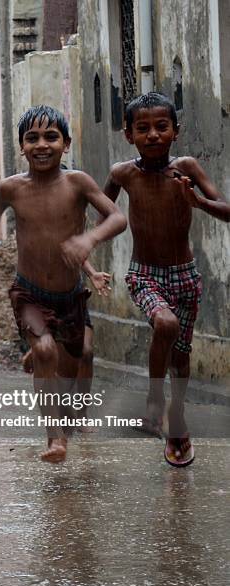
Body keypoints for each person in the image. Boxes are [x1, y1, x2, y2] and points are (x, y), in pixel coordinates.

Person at [0, 105, 127, 463]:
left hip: (70, 298)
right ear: (21, 146)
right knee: (45, 352)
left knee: (73, 365)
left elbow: (117, 218)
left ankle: (64, 411)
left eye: (51, 137)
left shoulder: (78, 183)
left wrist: (90, 240)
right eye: (32, 138)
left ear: (66, 144)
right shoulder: (11, 188)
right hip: (28, 293)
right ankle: (55, 438)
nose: (42, 145)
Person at [104, 92, 230, 467]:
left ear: (177, 130)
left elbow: (225, 208)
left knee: (182, 357)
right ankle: (154, 400)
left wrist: (199, 202)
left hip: (185, 277)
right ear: (128, 134)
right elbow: (101, 214)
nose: (153, 135)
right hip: (145, 273)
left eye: (162, 127)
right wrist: (86, 249)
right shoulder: (121, 173)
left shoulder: (186, 167)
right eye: (143, 128)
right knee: (165, 322)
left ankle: (176, 418)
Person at [21, 260, 111, 432]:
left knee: (86, 353)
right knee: (51, 357)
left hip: (73, 300)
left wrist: (92, 273)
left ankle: (82, 415)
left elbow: (75, 250)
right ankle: (36, 351)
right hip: (43, 300)